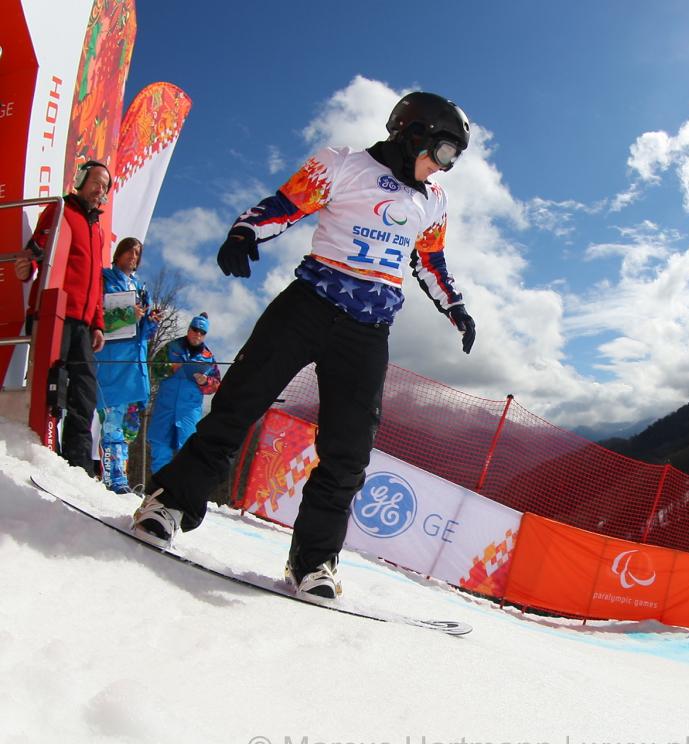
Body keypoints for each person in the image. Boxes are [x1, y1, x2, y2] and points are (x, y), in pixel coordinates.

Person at [132, 91, 476, 602]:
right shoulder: (342, 165)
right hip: (309, 304)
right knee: (237, 404)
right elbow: (285, 206)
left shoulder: (433, 199)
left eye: (452, 161)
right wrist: (246, 232)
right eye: (443, 153)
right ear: (414, 134)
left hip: (367, 330)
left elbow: (429, 262)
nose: (443, 168)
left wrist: (455, 307)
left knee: (348, 452)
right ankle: (169, 504)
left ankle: (312, 560)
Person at [14, 160, 111, 471]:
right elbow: (38, 247)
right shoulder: (61, 210)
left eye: (105, 186)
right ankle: (40, 454)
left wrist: (98, 323)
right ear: (81, 181)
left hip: (84, 324)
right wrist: (28, 264)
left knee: (84, 394)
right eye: (96, 182)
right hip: (55, 315)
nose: (100, 190)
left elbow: (96, 279)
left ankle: (77, 466)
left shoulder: (97, 228)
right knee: (52, 387)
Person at [95, 237, 160, 493]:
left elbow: (142, 332)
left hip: (136, 364)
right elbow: (97, 316)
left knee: (129, 429)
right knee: (111, 421)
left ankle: (120, 473)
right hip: (113, 360)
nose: (133, 257)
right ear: (118, 253)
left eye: (137, 253)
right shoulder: (104, 279)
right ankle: (114, 479)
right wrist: (126, 315)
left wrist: (150, 321)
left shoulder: (141, 287)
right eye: (129, 252)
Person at [146, 313, 221, 474]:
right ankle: (158, 486)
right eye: (195, 330)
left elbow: (216, 385)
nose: (198, 334)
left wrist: (205, 382)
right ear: (189, 329)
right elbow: (154, 368)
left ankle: (179, 491)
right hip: (165, 405)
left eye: (202, 332)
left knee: (187, 449)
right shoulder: (171, 347)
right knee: (160, 444)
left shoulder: (208, 357)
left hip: (189, 409)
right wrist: (171, 368)